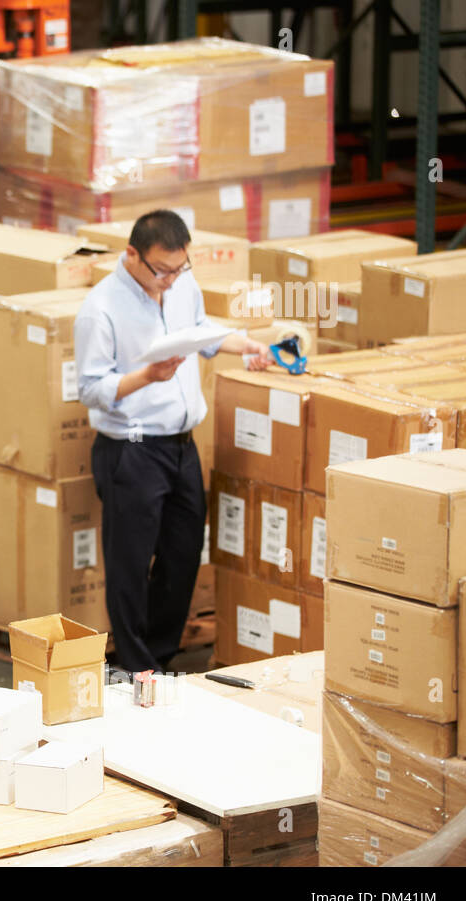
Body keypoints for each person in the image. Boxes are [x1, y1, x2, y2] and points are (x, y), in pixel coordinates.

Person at [75, 210, 274, 677]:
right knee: (129, 562)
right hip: (131, 450)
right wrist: (147, 376)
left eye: (178, 268)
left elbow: (201, 333)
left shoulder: (182, 285)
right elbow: (90, 388)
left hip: (181, 446)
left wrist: (247, 345)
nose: (169, 280)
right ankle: (134, 666)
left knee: (183, 555)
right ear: (132, 256)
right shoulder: (100, 309)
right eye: (160, 270)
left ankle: (159, 655)